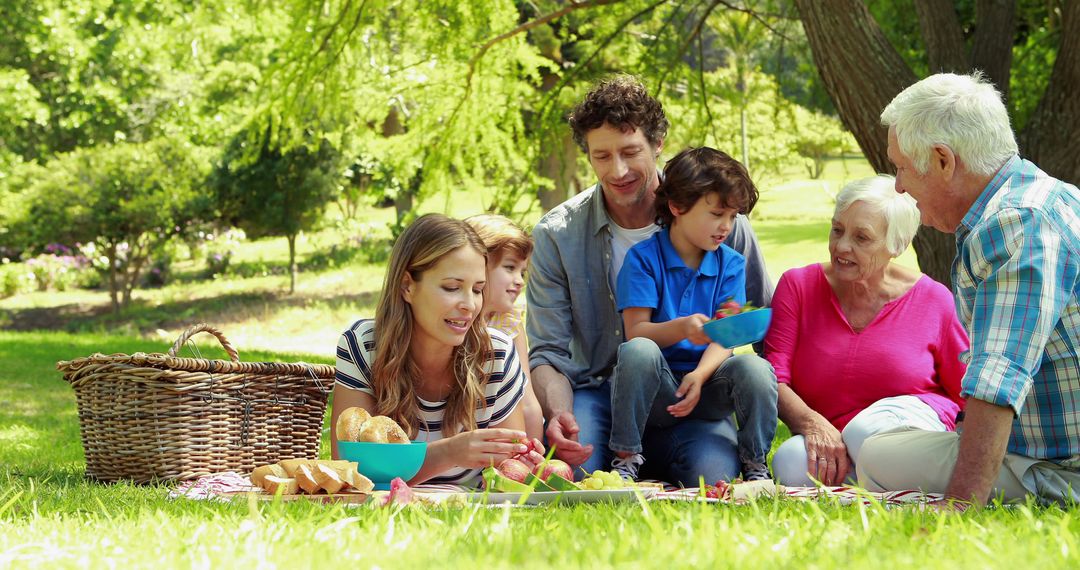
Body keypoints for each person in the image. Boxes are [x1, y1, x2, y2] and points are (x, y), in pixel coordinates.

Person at [526, 75, 773, 484]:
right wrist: (559, 413)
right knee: (580, 470)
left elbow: (760, 326)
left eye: (630, 152)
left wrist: (806, 420)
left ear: (658, 144)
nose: (617, 170)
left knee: (712, 476)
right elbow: (549, 350)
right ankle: (631, 456)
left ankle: (676, 456)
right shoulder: (558, 233)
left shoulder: (723, 225)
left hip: (696, 391)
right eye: (601, 156)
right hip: (602, 392)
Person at [856, 72, 1080, 508]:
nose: (898, 185)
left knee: (875, 456)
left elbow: (1000, 374)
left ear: (943, 159)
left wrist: (960, 504)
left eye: (902, 167)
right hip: (1046, 451)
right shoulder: (1049, 196)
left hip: (1062, 470)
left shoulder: (1015, 223)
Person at [764, 175, 968, 486]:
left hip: (912, 422)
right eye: (837, 230)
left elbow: (965, 389)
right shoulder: (798, 286)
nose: (842, 246)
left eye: (861, 238)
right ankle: (880, 479)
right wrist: (812, 424)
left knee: (864, 433)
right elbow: (774, 379)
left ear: (895, 246)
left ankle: (911, 469)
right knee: (789, 463)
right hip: (836, 432)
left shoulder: (934, 299)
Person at [331, 213, 544, 487]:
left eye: (478, 290)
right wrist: (448, 452)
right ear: (407, 286)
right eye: (452, 287)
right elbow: (348, 473)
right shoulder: (363, 345)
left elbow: (507, 480)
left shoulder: (497, 354)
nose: (469, 305)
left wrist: (524, 465)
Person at [610, 147, 778, 481]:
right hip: (657, 388)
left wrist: (700, 376)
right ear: (677, 207)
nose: (726, 226)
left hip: (707, 388)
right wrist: (683, 329)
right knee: (637, 351)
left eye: (732, 217)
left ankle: (755, 464)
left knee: (754, 367)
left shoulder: (730, 263)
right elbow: (636, 331)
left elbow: (726, 338)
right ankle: (626, 457)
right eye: (717, 214)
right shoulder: (643, 259)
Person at [464, 213, 545, 441]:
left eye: (522, 272)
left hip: (504, 432)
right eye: (509, 268)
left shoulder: (509, 323)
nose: (519, 280)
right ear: (479, 265)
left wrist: (533, 458)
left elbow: (527, 401)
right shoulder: (454, 321)